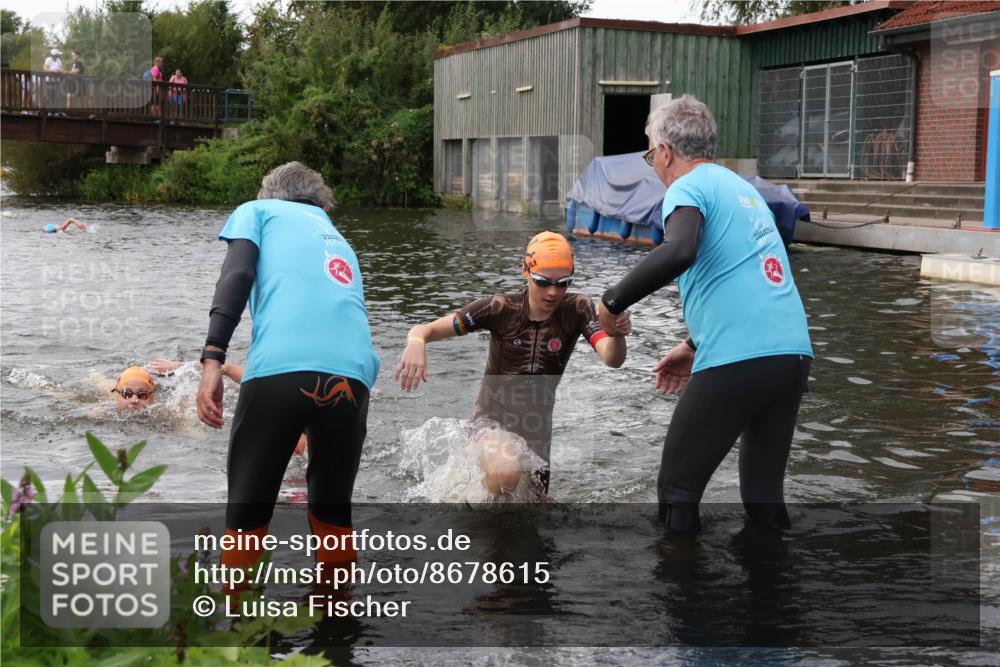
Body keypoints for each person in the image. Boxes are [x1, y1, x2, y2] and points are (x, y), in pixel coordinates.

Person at [596, 95, 814, 534]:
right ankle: (773, 596)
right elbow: (753, 279)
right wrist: (694, 344)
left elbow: (680, 249)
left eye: (649, 153)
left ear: (665, 151)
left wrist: (611, 302)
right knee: (763, 497)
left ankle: (680, 599)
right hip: (791, 355)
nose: (653, 165)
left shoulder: (686, 187)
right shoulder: (743, 190)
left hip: (739, 357)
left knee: (677, 490)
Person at [196, 161, 379, 577]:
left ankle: (240, 630)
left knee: (248, 513)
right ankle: (336, 631)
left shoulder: (257, 212)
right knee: (333, 518)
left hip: (281, 369)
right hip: (354, 377)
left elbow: (237, 274)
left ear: (269, 192)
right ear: (321, 203)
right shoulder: (337, 237)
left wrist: (213, 358)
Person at [395, 231, 631, 499]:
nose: (553, 292)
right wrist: (416, 341)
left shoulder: (577, 308)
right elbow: (427, 329)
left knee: (527, 519)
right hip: (492, 420)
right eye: (543, 282)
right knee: (505, 473)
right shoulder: (499, 309)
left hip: (537, 431)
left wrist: (617, 333)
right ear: (526, 272)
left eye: (563, 283)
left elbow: (612, 358)